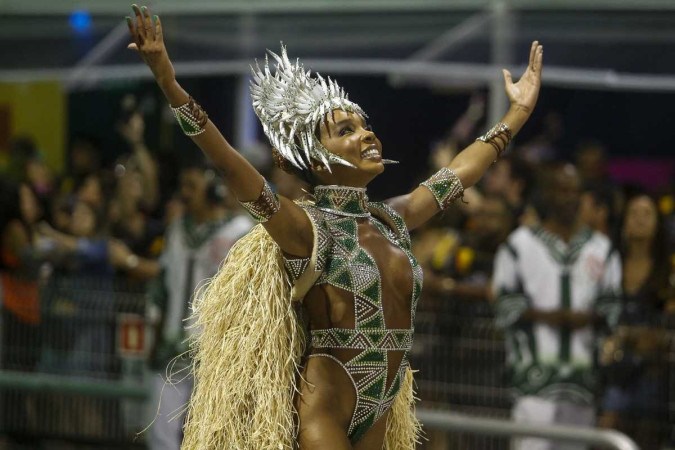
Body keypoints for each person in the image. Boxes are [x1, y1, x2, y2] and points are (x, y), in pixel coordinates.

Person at [126, 5, 543, 448]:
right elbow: (231, 167)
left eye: (365, 125)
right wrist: (170, 86)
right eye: (346, 130)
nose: (366, 135)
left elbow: (460, 171)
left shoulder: (392, 219)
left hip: (381, 405)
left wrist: (517, 114)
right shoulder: (304, 229)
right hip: (325, 404)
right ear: (312, 160)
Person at [492, 163, 622, 450]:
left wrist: (587, 318)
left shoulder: (602, 249)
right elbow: (505, 304)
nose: (569, 197)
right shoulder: (518, 246)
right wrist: (554, 316)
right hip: (532, 382)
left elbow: (612, 307)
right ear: (546, 195)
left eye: (575, 191)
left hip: (583, 383)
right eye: (562, 190)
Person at [145, 162, 253, 450]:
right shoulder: (177, 229)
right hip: (173, 346)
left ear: (214, 190)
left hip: (218, 351)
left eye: (192, 187)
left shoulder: (241, 232)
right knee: (161, 435)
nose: (184, 194)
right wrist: (153, 332)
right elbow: (161, 285)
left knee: (214, 435)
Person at [598, 194, 672, 449]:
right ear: (624, 221)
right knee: (606, 433)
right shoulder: (610, 263)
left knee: (647, 438)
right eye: (634, 213)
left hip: (655, 371)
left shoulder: (668, 269)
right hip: (613, 369)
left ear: (658, 223)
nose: (640, 219)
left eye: (647, 213)